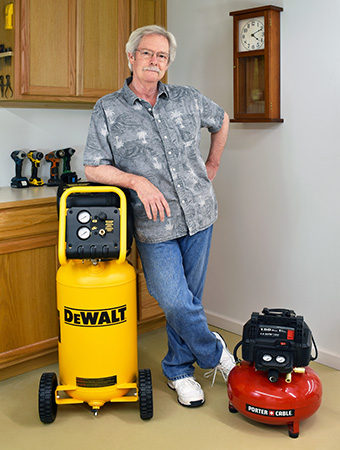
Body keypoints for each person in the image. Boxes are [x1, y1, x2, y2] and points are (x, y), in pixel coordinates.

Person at [83, 25, 235, 408]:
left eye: (162, 56)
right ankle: (215, 352)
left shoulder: (187, 98)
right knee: (173, 299)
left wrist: (212, 162)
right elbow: (93, 167)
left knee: (190, 298)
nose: (155, 61)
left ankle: (180, 370)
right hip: (154, 225)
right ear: (131, 56)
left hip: (199, 214)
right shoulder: (109, 108)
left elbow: (222, 120)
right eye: (147, 53)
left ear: (168, 63)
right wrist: (137, 182)